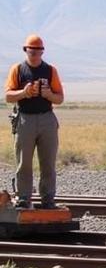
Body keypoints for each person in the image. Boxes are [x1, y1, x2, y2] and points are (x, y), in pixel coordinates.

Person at [4, 34, 64, 209]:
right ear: (26, 51)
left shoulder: (50, 70)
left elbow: (60, 98)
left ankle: (48, 199)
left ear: (42, 52)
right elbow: (8, 96)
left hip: (47, 118)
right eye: (32, 51)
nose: (35, 55)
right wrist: (24, 93)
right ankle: (23, 198)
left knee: (48, 162)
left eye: (38, 51)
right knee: (24, 162)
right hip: (24, 119)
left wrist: (48, 95)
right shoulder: (18, 70)